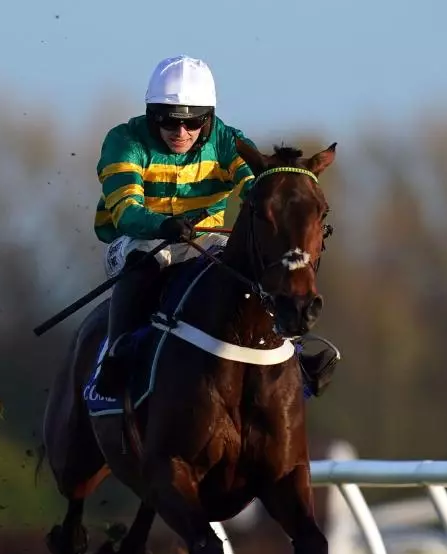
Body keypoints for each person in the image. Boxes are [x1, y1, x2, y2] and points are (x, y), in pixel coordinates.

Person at [90, 54, 339, 399]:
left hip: (204, 240)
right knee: (143, 263)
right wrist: (164, 225)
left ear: (208, 119)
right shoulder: (125, 142)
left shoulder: (226, 140)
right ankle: (117, 357)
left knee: (250, 264)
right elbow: (127, 213)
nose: (180, 133)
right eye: (168, 121)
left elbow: (258, 188)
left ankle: (294, 353)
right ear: (151, 114)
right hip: (137, 240)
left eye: (192, 123)